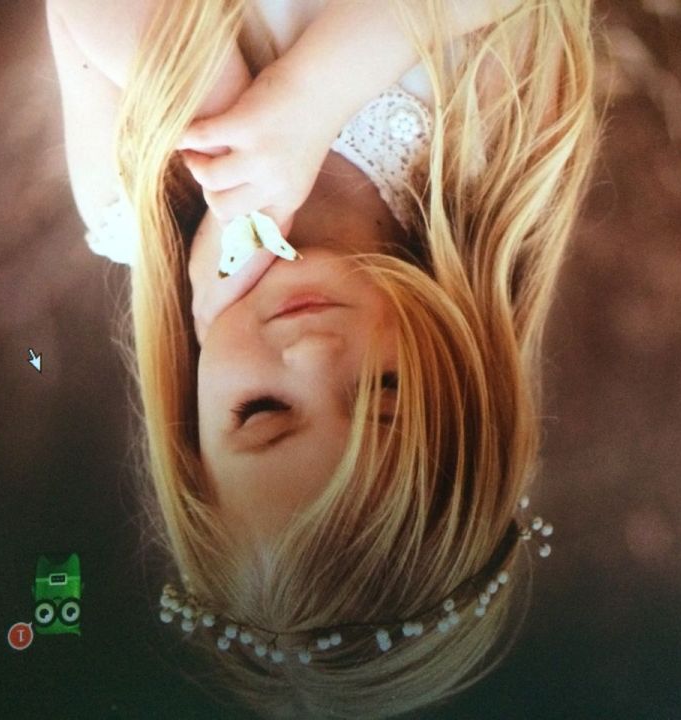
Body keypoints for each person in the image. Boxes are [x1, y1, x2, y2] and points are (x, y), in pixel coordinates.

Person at [48, 0, 596, 716]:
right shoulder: (485, 157)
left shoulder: (130, 208)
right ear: (464, 380)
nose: (310, 352)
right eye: (383, 391)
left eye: (263, 411)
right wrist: (307, 98)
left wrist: (225, 148)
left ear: (189, 428)